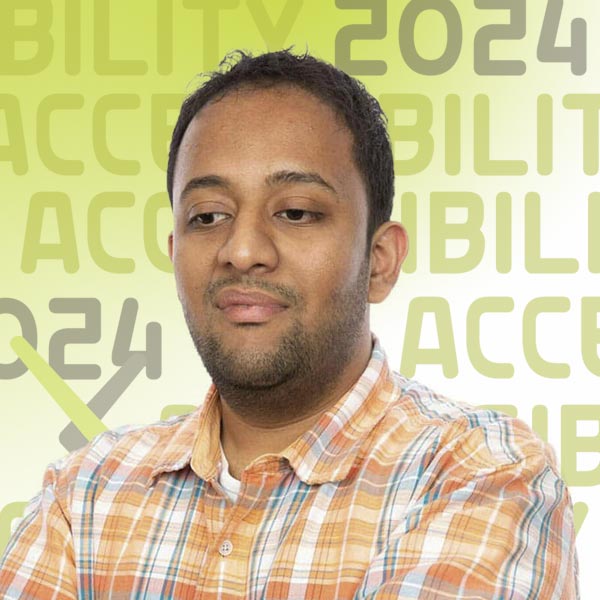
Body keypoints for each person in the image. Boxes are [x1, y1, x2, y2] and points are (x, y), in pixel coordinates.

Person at [0, 50, 577, 599]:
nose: (242, 249)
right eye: (209, 216)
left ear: (380, 261)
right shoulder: (85, 494)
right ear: (175, 252)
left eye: (296, 212)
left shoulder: (482, 475)